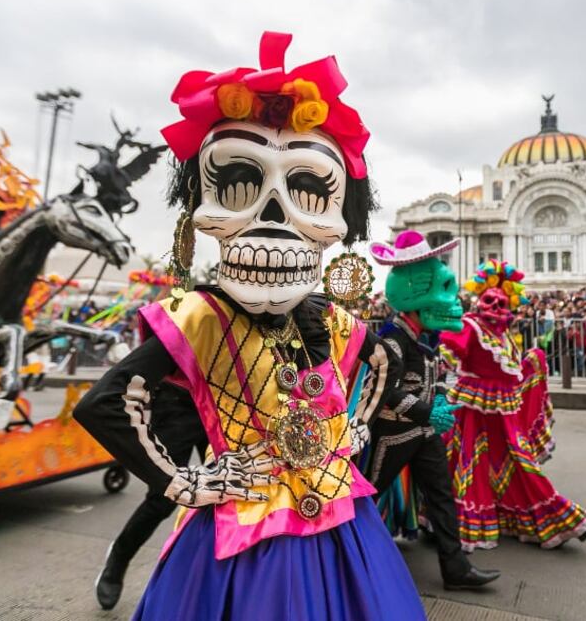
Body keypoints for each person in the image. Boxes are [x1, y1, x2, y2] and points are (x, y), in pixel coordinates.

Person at [75, 31, 425, 620]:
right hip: (241, 516)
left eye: (310, 190)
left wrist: (355, 432)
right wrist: (185, 484)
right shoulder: (201, 315)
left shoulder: (332, 320)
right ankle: (118, 558)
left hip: (337, 514)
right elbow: (105, 402)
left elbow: (388, 361)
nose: (270, 217)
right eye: (238, 185)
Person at [364, 230, 500, 590]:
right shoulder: (392, 340)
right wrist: (427, 412)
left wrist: (438, 399)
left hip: (424, 436)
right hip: (392, 436)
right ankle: (350, 563)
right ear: (416, 295)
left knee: (442, 497)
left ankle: (455, 569)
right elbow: (384, 392)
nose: (452, 301)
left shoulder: (424, 340)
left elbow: (434, 377)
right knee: (368, 497)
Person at [440, 260, 586, 551]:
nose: (496, 305)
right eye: (490, 299)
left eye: (502, 300)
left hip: (503, 407)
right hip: (473, 407)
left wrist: (532, 362)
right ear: (479, 298)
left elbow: (510, 370)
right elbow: (449, 351)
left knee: (513, 460)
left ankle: (536, 515)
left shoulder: (504, 335)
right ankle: (467, 518)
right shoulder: (470, 325)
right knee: (470, 459)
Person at [94, 382, 208, 610]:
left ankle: (211, 582)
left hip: (225, 401)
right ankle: (120, 555)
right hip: (179, 400)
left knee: (228, 495)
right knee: (162, 499)